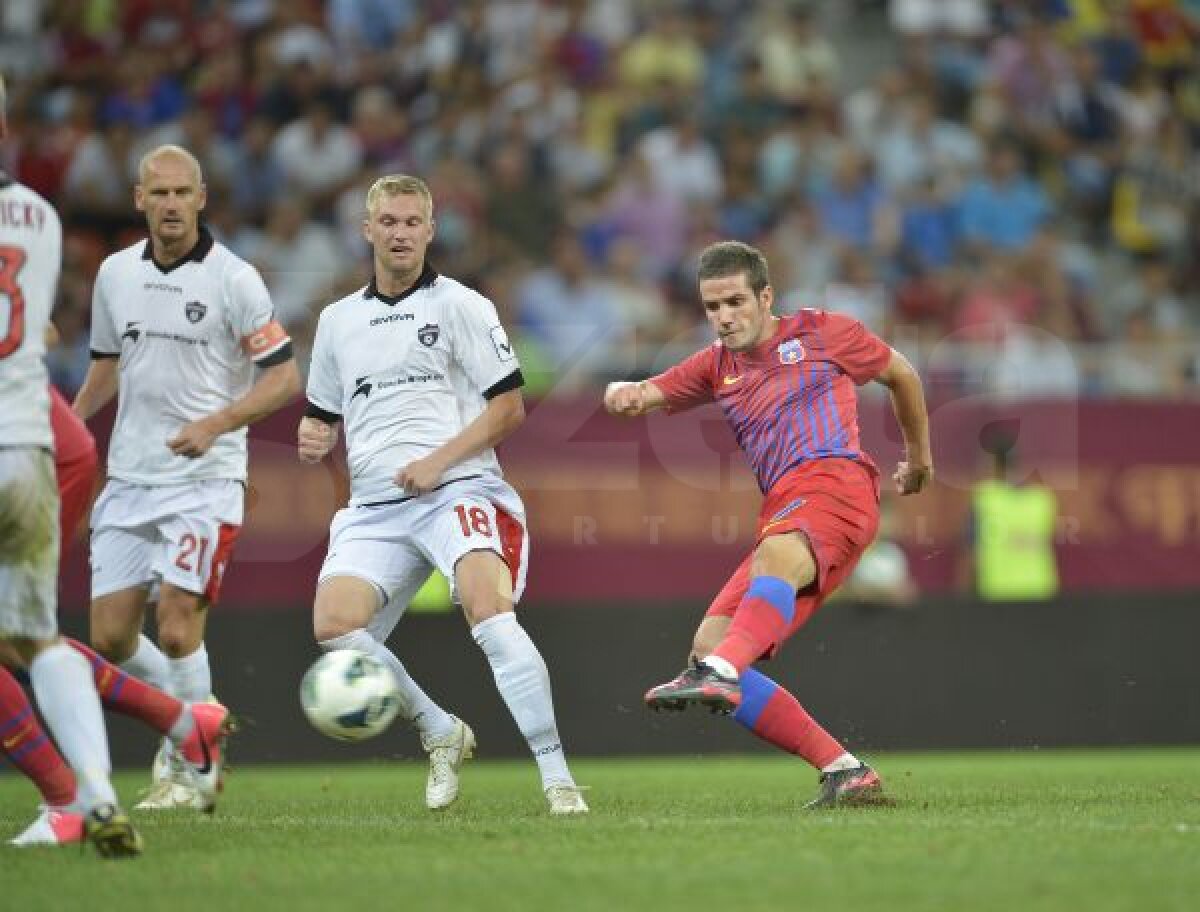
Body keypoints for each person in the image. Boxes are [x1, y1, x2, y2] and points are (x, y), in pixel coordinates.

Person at [604, 240, 933, 808]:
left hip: (837, 484)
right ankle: (844, 770)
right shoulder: (714, 365)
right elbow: (652, 391)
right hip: (785, 503)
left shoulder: (824, 332)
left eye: (735, 301)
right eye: (712, 307)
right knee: (708, 642)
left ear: (765, 296)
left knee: (765, 579)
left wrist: (921, 459)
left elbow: (902, 375)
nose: (724, 317)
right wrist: (626, 394)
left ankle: (724, 669)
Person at [298, 174, 587, 815]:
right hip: (374, 506)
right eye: (389, 222)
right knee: (334, 626)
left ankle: (558, 780)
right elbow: (322, 410)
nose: (400, 234)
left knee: (491, 612)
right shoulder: (337, 321)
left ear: (431, 231)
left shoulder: (461, 305)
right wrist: (314, 433)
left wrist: (437, 461)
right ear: (368, 230)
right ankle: (439, 730)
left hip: (456, 488)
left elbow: (509, 408)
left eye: (412, 223)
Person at [71, 144, 300, 808]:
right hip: (130, 477)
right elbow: (109, 360)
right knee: (110, 639)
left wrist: (217, 424)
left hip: (206, 480)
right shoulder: (115, 275)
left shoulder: (234, 279)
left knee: (176, 628)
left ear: (202, 197)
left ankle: (187, 755)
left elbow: (284, 376)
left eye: (182, 193)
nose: (171, 205)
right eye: (158, 193)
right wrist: (74, 421)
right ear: (139, 199)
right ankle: (199, 709)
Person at [0, 73, 138, 856]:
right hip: (25, 448)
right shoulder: (41, 218)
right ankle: (96, 793)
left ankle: (67, 793)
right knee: (35, 635)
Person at [1, 384, 232, 847]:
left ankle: (68, 802)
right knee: (14, 640)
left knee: (16, 634)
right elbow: (41, 334)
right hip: (37, 446)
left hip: (29, 456)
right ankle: (185, 722)